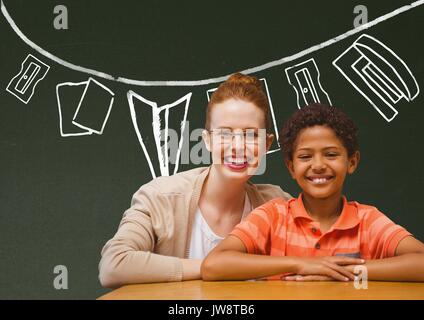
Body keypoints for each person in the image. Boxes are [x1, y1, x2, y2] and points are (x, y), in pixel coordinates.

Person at [99, 73, 292, 288]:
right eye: (225, 134)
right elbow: (114, 265)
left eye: (251, 135)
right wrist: (214, 268)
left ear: (266, 144)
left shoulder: (278, 205)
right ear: (207, 141)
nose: (238, 146)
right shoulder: (160, 198)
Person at [201, 103, 424, 282]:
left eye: (331, 154)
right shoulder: (273, 215)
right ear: (291, 168)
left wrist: (343, 271)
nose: (318, 165)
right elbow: (213, 265)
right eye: (305, 156)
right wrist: (301, 263)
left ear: (352, 162)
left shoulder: (367, 221)